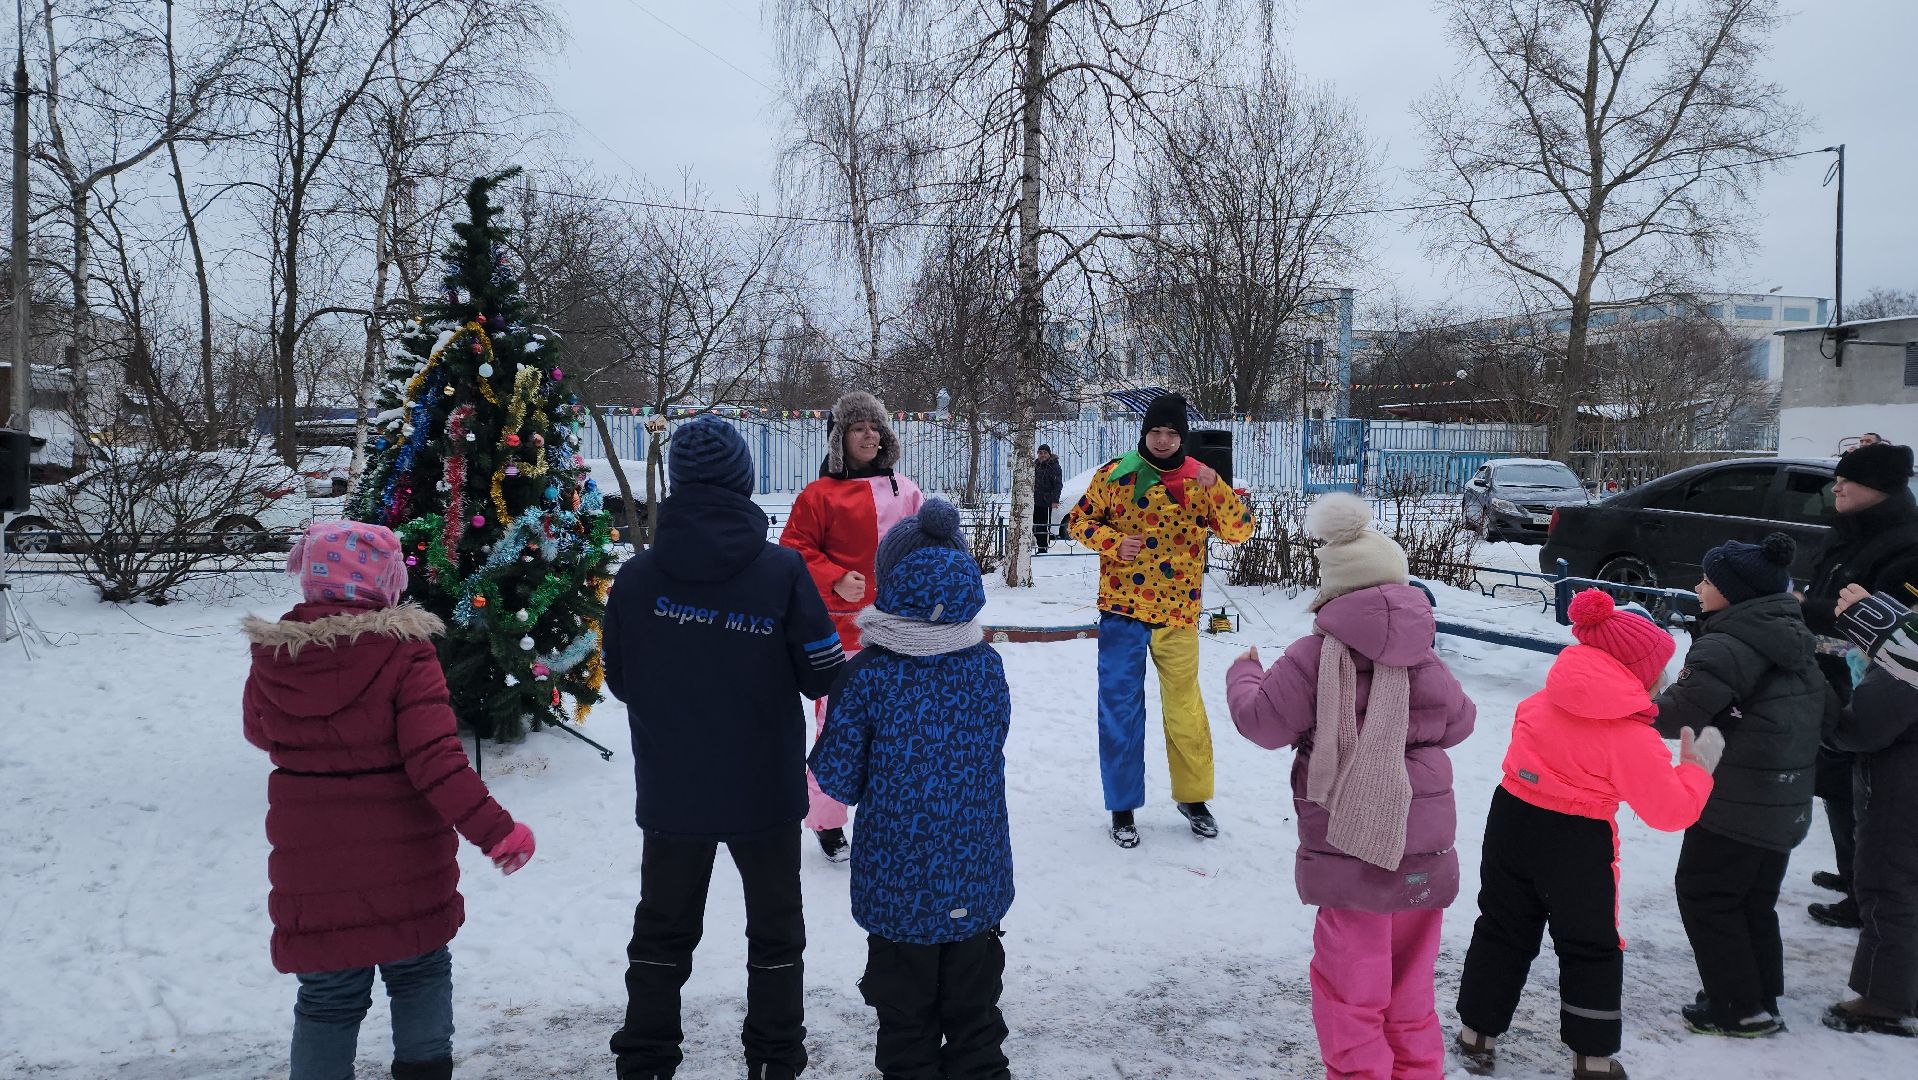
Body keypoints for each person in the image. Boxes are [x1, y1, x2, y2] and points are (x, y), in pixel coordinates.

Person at [243, 522, 536, 1080]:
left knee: (328, 998)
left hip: (315, 867)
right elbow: (436, 760)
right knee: (420, 973)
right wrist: (498, 831)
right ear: (384, 581)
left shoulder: (275, 655)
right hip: (406, 865)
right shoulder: (405, 652)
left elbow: (260, 733)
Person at [602, 416, 846, 1080]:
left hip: (673, 790)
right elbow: (822, 673)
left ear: (678, 484)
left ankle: (646, 1063)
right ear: (743, 482)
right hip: (763, 791)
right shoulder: (783, 571)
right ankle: (774, 1061)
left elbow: (620, 681)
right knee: (775, 934)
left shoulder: (636, 580)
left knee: (660, 934)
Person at [1226, 493, 1476, 1079]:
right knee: (1411, 993)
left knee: (1350, 990)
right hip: (1424, 853)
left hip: (1351, 850)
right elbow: (1460, 722)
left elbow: (1262, 723)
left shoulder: (1313, 657)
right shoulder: (1423, 656)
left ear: (1333, 588)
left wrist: (1244, 672)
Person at [1454, 590, 1722, 1080]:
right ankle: (1592, 1055)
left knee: (1501, 925)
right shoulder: (1629, 736)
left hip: (1511, 820)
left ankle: (1477, 1032)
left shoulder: (1538, 702)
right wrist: (1697, 770)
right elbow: (1669, 811)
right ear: (1637, 671)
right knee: (1590, 942)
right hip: (1578, 840)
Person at [810, 499, 1015, 1080]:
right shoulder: (986, 665)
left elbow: (839, 780)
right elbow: (993, 742)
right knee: (977, 1022)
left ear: (891, 581)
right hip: (976, 879)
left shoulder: (869, 673)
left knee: (906, 1029)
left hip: (898, 889)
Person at [1651, 533, 1831, 1037]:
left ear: (1735, 593)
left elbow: (1680, 714)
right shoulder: (1793, 639)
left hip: (1734, 800)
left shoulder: (1727, 645)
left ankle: (1737, 1006)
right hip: (1783, 800)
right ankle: (1757, 994)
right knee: (1752, 901)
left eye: (1708, 580)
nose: (1699, 586)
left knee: (1705, 894)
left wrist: (1633, 705)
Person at [1065, 392, 1255, 847]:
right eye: (1156, 431)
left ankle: (1193, 798)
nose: (1164, 439)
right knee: (1119, 709)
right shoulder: (1116, 474)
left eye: (1172, 432)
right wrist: (1112, 542)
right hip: (1122, 612)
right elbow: (1077, 522)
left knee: (1185, 709)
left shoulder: (1199, 479)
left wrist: (1219, 488)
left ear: (1183, 436)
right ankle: (1122, 805)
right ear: (1144, 433)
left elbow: (1239, 530)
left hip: (1178, 614)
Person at [781, 390, 925, 862]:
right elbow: (793, 549)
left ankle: (889, 816)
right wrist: (835, 579)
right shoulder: (819, 495)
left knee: (898, 731)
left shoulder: (908, 490)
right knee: (838, 729)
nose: (870, 434)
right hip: (841, 637)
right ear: (840, 438)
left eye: (875, 426)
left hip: (903, 636)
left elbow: (931, 550)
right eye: (858, 427)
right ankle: (826, 820)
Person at [1801, 441, 1918, 929]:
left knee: (1865, 790)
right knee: (1834, 782)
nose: (1837, 485)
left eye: (1849, 479)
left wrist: (1799, 609)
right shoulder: (1848, 533)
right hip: (1831, 676)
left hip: (1874, 686)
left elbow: (1884, 621)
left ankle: (1864, 893)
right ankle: (1852, 873)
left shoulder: (1907, 546)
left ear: (1880, 488)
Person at [1823, 584, 1918, 1037]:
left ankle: (1884, 998)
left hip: (1900, 791)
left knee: (1888, 885)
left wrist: (1826, 712)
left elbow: (1866, 726)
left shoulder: (1909, 655)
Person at [1033, 444, 1064, 553]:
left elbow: (1058, 485)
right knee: (1034, 526)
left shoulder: (1054, 466)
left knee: (1043, 526)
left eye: (1045, 453)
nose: (1042, 455)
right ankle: (1038, 545)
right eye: (1040, 453)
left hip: (1046, 501)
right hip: (1034, 501)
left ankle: (1043, 548)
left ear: (1049, 454)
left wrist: (1055, 500)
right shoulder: (1035, 465)